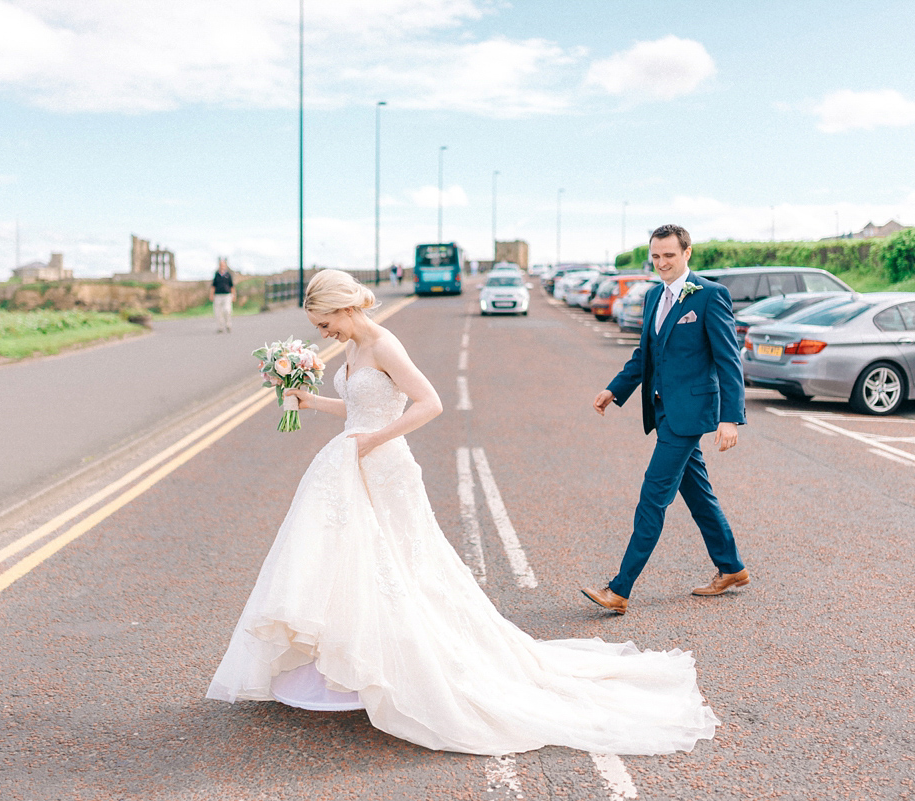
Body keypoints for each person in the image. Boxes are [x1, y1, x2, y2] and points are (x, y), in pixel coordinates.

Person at [207, 269, 719, 756]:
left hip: (384, 466)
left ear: (343, 307)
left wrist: (371, 444)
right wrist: (311, 402)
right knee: (356, 562)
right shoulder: (351, 346)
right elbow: (363, 407)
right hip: (354, 461)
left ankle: (411, 667)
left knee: (406, 566)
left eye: (325, 322)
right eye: (319, 327)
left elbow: (428, 404)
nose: (324, 332)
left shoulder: (384, 344)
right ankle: (351, 667)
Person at [583, 224, 749, 616]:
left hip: (689, 416)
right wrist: (615, 389)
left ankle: (619, 589)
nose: (661, 264)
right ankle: (732, 568)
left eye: (669, 256)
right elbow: (647, 355)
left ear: (687, 253)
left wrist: (731, 418)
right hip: (662, 410)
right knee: (699, 497)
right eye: (655, 256)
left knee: (652, 498)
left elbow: (729, 361)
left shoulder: (710, 296)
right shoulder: (654, 295)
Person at [211, 257, 234, 333]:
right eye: (221, 265)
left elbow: (232, 286)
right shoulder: (216, 275)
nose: (222, 266)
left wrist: (233, 295)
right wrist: (211, 294)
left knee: (227, 310)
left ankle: (228, 325)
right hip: (218, 295)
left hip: (227, 295)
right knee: (218, 312)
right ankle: (220, 327)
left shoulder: (228, 275)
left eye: (223, 265)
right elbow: (213, 286)